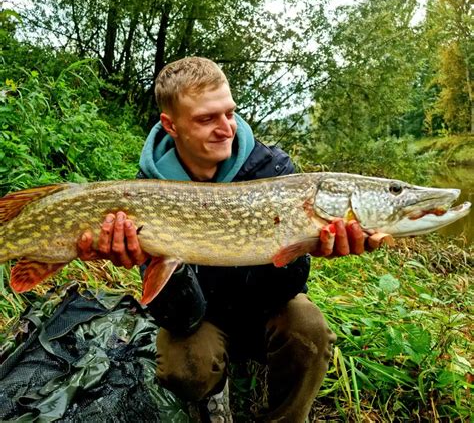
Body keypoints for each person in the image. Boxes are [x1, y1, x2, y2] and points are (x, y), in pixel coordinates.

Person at [78, 57, 389, 422]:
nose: (226, 128)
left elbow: (290, 285)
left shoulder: (273, 171)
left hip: (261, 307)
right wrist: (136, 258)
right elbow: (173, 314)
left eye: (229, 113)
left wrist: (311, 247)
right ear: (171, 125)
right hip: (200, 317)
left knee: (309, 328)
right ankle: (212, 391)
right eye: (207, 118)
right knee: (182, 367)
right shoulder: (145, 194)